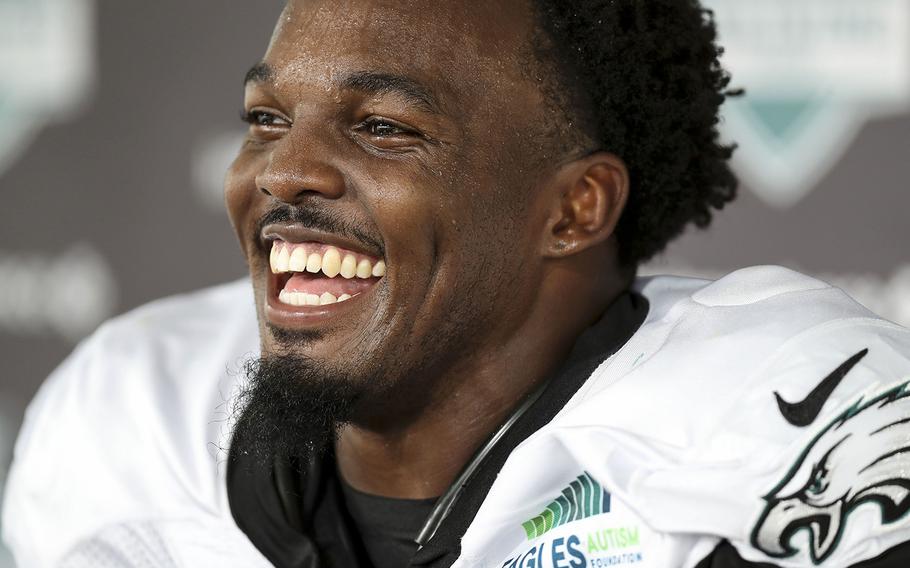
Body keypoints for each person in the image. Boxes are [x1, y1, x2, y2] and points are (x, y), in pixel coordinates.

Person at [4, 0, 910, 566]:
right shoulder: (130, 408)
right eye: (268, 117)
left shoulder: (777, 418)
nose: (282, 173)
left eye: (385, 127)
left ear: (576, 208)